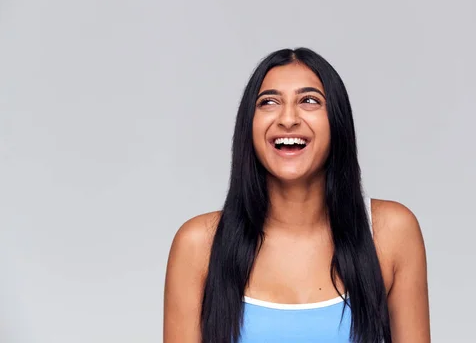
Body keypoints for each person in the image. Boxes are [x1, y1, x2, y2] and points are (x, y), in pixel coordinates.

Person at [163, 47, 430, 343]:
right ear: (249, 125)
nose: (288, 118)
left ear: (337, 121)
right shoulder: (198, 245)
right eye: (269, 102)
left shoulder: (390, 233)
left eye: (309, 100)